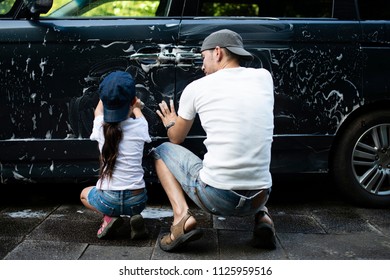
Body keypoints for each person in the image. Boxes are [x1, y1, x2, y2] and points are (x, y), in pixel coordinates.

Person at [153, 29, 276, 252]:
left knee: (161, 151)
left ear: (217, 52)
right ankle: (264, 218)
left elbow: (176, 138)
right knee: (250, 143)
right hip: (261, 195)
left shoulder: (197, 87)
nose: (202, 66)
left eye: (203, 58)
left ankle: (182, 220)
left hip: (219, 198)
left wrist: (171, 121)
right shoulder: (264, 78)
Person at [80, 71, 151, 240]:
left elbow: (98, 112)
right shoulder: (141, 126)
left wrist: (105, 94)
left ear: (104, 102)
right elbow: (139, 114)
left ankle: (110, 217)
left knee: (84, 194)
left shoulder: (100, 127)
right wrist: (137, 107)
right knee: (134, 202)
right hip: (138, 200)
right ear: (133, 101)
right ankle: (134, 217)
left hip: (108, 200)